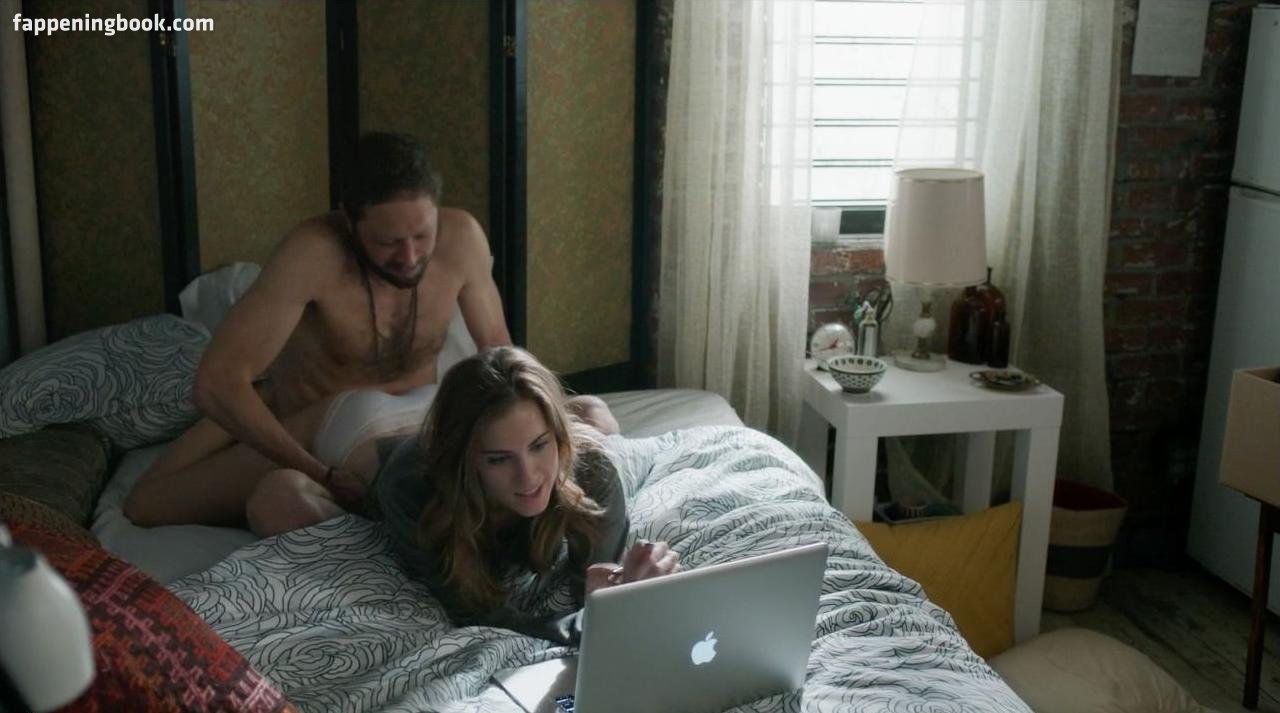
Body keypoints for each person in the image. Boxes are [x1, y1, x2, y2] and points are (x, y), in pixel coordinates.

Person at [124, 132, 511, 528]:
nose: (410, 256)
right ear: (348, 221)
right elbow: (217, 384)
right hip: (338, 434)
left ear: (437, 210)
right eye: (388, 242)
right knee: (154, 503)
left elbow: (499, 353)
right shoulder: (314, 253)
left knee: (153, 502)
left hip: (418, 419)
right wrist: (318, 471)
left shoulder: (461, 238)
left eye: (422, 235)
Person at [251, 346, 677, 644]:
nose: (528, 477)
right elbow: (480, 615)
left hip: (467, 427)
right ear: (466, 461)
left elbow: (599, 585)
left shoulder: (591, 468)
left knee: (597, 416)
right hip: (370, 453)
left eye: (540, 446)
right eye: (499, 460)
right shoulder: (414, 492)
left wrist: (624, 594)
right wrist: (589, 622)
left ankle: (564, 421)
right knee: (277, 499)